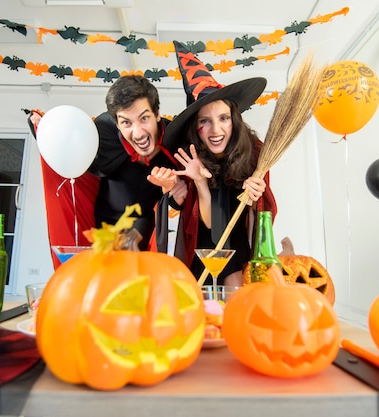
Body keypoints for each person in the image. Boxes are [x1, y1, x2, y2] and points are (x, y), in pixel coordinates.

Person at [28, 75, 186, 267]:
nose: (138, 133)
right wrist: (47, 130)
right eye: (127, 122)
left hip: (148, 225)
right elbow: (76, 154)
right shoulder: (103, 132)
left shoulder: (177, 139)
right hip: (105, 220)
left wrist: (174, 188)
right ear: (117, 123)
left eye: (144, 118)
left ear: (157, 114)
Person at [164, 41, 278, 287]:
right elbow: (211, 224)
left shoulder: (255, 152)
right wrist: (199, 182)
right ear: (195, 127)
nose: (216, 130)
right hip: (200, 250)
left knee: (236, 307)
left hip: (237, 252)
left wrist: (256, 198)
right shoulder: (188, 155)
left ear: (234, 119)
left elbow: (261, 219)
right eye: (205, 121)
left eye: (223, 118)